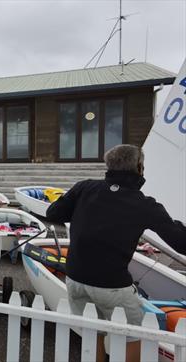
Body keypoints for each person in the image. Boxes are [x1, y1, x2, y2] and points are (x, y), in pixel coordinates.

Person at [46, 144, 186, 362]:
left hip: (75, 279)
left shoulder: (84, 188)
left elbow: (53, 212)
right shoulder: (144, 205)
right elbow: (181, 242)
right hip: (111, 285)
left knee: (93, 330)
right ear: (139, 167)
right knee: (136, 333)